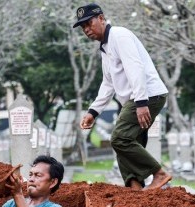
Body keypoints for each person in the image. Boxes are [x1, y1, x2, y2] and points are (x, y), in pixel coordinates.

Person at [74, 3, 172, 190]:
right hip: (138, 98)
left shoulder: (119, 36)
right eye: (83, 27)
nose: (86, 30)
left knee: (119, 138)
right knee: (128, 142)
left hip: (147, 96)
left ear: (101, 18)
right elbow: (108, 83)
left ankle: (159, 174)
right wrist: (93, 111)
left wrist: (142, 102)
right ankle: (134, 187)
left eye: (89, 23)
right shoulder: (105, 46)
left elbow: (135, 67)